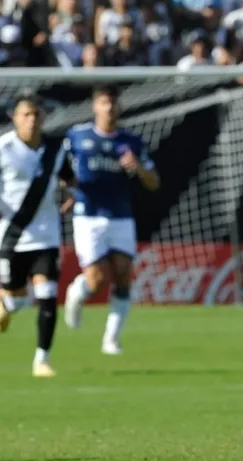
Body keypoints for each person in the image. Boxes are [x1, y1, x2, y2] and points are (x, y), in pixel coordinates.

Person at [63, 84, 160, 355]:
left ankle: (111, 340)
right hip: (88, 215)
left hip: (121, 216)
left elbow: (154, 182)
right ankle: (76, 293)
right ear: (95, 106)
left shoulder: (131, 142)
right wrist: (67, 192)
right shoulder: (77, 137)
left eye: (113, 103)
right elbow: (60, 171)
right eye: (104, 103)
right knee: (96, 280)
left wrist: (138, 167)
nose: (109, 108)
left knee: (123, 274)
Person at [0, 93, 73, 376]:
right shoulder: (4, 149)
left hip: (46, 235)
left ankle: (42, 359)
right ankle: (6, 303)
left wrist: (72, 193)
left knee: (48, 294)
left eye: (36, 115)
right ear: (14, 118)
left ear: (44, 118)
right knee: (17, 299)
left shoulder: (56, 149)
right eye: (25, 115)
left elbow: (69, 178)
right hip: (11, 238)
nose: (31, 120)